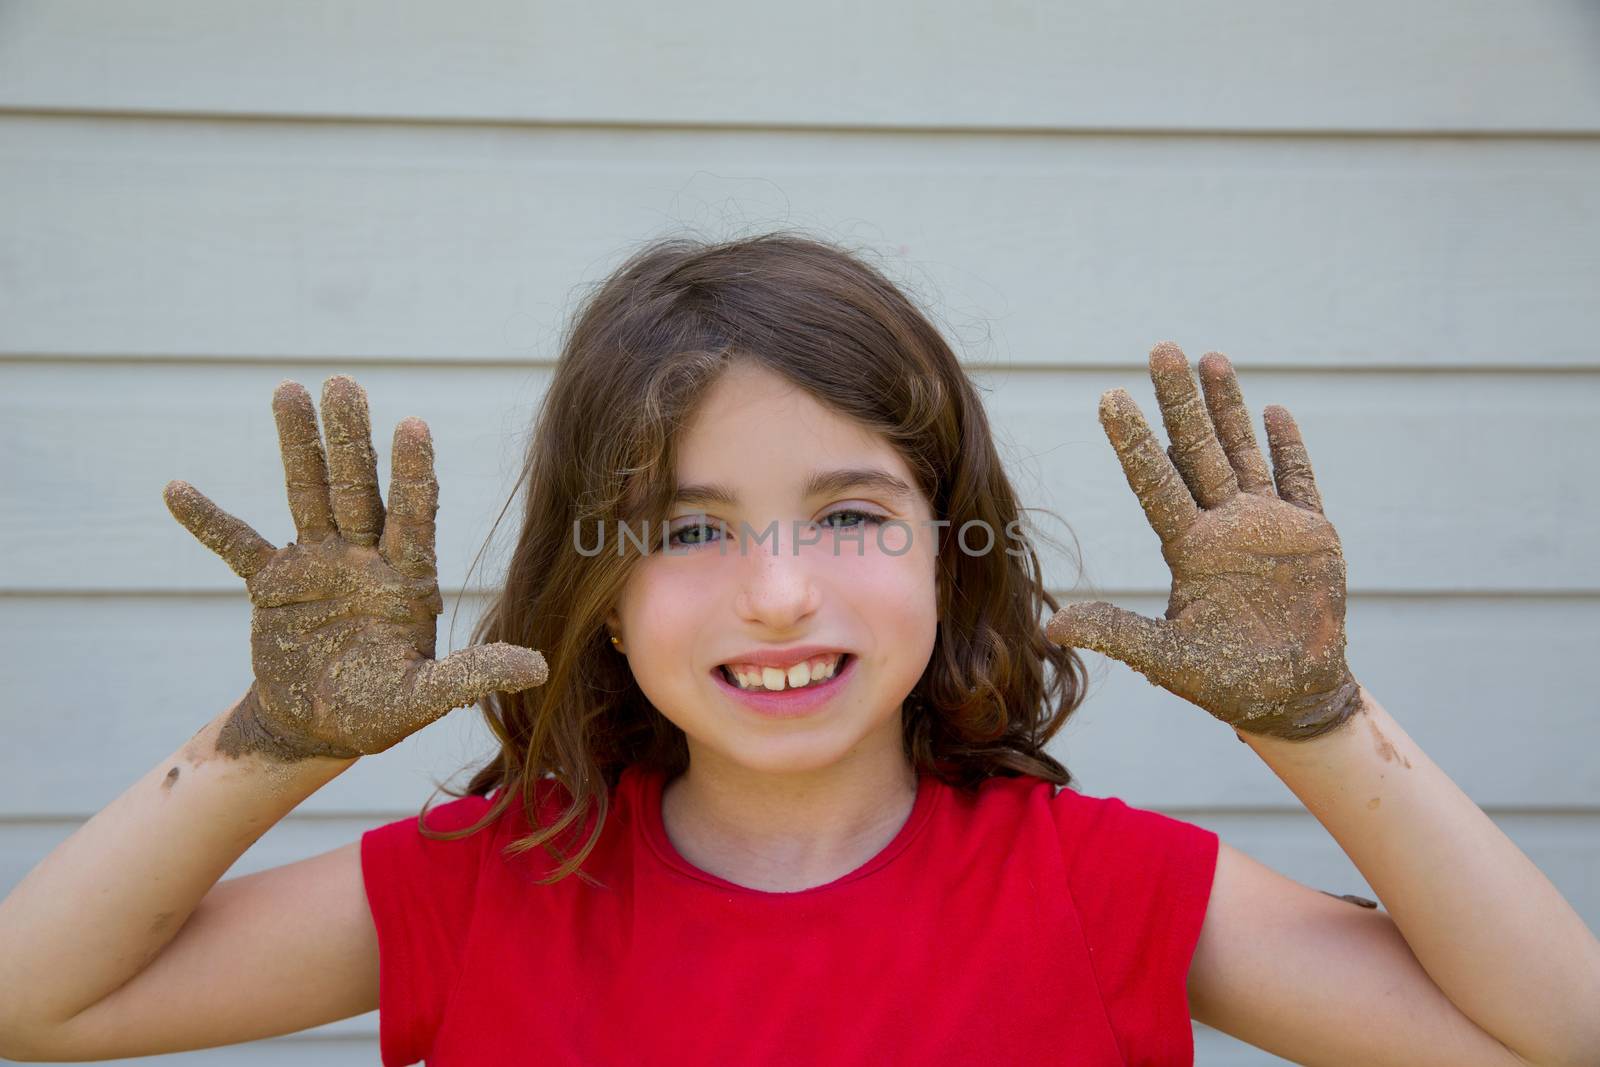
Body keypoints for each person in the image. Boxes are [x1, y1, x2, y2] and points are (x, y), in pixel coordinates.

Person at [0, 232, 1595, 1066]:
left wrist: (1321, 717)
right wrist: (273, 743)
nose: (776, 593)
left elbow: (1552, 1034)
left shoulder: (1100, 890)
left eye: (849, 513)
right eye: (687, 530)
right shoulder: (488, 886)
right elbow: (36, 1004)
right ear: (595, 591)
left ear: (950, 546)